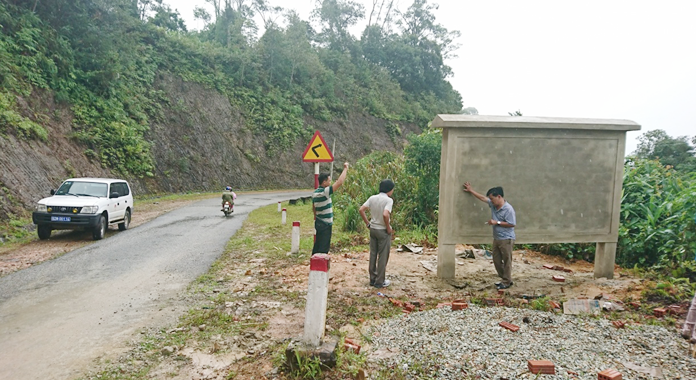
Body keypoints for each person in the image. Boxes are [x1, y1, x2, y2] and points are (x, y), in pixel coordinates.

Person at [462, 182, 516, 289]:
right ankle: (505, 279)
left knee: (507, 261)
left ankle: (506, 281)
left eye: (492, 198)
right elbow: (482, 198)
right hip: (497, 238)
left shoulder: (508, 209)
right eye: (490, 199)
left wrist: (497, 222)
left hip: (506, 239)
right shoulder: (493, 204)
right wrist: (471, 190)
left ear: (499, 196)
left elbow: (512, 223)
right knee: (496, 260)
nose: (490, 201)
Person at [359, 179, 395, 288]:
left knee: (373, 254)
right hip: (382, 230)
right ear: (390, 190)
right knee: (383, 256)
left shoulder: (372, 198)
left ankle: (372, 278)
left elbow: (361, 209)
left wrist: (367, 223)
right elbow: (385, 214)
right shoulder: (388, 200)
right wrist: (388, 227)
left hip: (373, 229)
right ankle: (380, 281)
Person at [311, 162, 349, 255]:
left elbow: (314, 209)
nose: (330, 182)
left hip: (319, 222)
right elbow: (339, 182)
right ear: (324, 182)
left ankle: (314, 262)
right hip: (325, 224)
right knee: (324, 247)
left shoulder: (315, 193)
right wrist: (345, 169)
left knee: (318, 245)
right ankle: (320, 266)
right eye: (329, 180)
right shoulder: (325, 192)